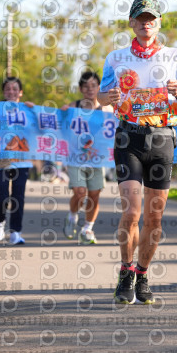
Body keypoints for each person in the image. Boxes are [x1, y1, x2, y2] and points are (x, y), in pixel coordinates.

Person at [98, 0, 177, 304]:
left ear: (159, 23)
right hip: (128, 138)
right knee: (131, 211)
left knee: (154, 218)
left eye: (151, 18)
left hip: (162, 139)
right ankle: (126, 270)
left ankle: (142, 274)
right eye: (141, 18)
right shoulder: (116, 58)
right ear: (132, 22)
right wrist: (108, 97)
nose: (147, 23)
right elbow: (101, 97)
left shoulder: (175, 56)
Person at [0, 77, 35, 245]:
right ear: (4, 93)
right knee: (1, 195)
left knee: (18, 196)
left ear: (21, 92)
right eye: (8, 89)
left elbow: (41, 128)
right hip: (0, 157)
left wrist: (35, 111)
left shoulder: (27, 110)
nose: (11, 92)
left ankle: (15, 232)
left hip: (22, 158)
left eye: (15, 89)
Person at [61, 71, 112, 245]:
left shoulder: (108, 110)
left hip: (98, 159)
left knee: (94, 194)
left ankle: (87, 229)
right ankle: (72, 216)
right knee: (80, 193)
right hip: (75, 158)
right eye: (86, 86)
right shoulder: (73, 108)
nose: (90, 89)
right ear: (81, 89)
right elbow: (59, 125)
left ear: (99, 88)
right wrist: (61, 114)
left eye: (93, 86)